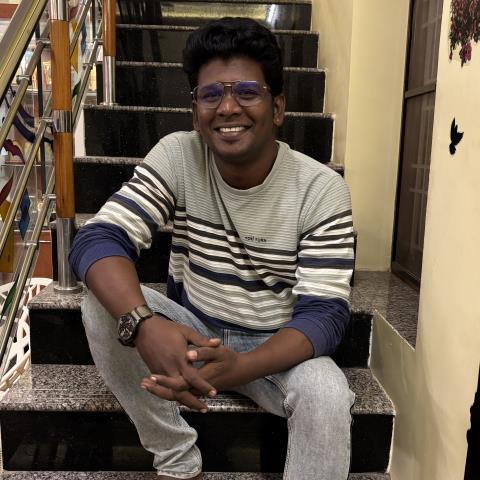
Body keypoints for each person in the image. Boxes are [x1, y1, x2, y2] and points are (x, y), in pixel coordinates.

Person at [70, 17, 355, 480]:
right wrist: (144, 324)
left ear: (277, 108)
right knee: (101, 305)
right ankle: (176, 457)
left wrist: (241, 367)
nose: (227, 107)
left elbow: (325, 316)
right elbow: (98, 237)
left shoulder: (320, 189)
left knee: (327, 392)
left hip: (274, 350)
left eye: (247, 91)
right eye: (210, 95)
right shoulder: (179, 155)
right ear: (195, 110)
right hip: (195, 336)